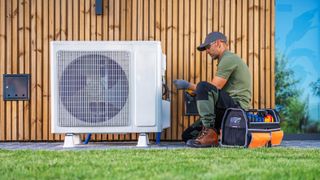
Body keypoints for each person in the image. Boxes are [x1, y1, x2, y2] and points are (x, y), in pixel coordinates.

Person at [174, 32, 252, 148]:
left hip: (236, 109)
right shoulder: (225, 60)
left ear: (218, 43)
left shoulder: (229, 59)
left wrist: (187, 85)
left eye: (208, 47)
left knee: (204, 86)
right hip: (224, 108)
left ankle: (210, 133)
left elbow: (215, 87)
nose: (207, 51)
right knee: (188, 135)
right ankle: (215, 134)